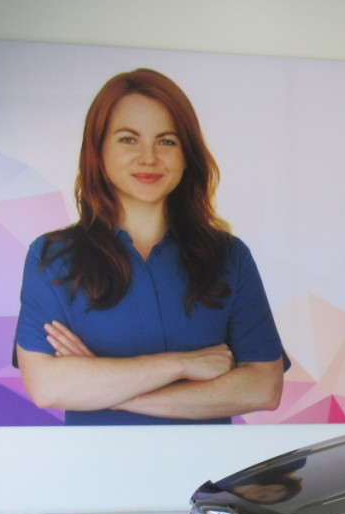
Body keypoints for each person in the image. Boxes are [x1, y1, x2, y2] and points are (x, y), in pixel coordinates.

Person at [14, 68, 286, 425]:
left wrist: (106, 388)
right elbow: (47, 386)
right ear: (98, 150)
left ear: (187, 154)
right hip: (95, 462)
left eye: (167, 141)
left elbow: (264, 387)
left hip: (205, 462)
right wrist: (182, 364)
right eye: (128, 139)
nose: (149, 158)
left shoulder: (228, 257)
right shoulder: (52, 257)